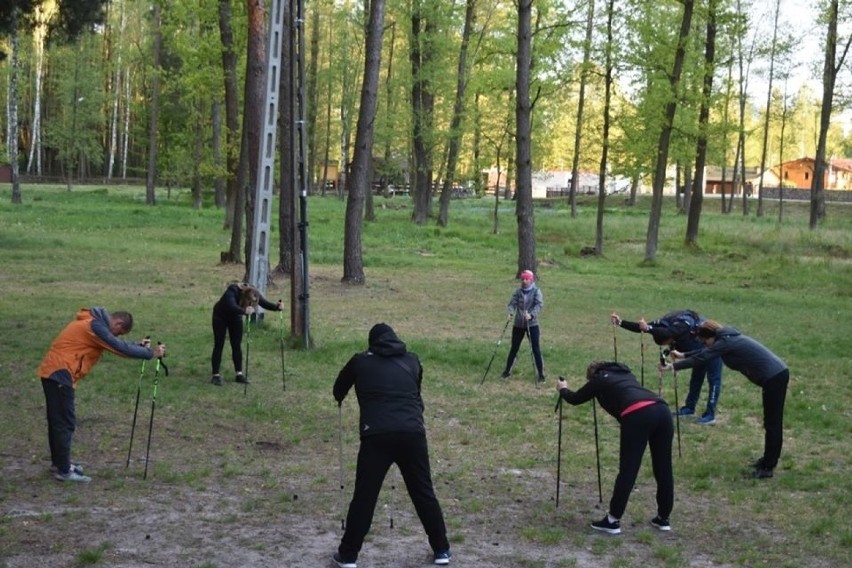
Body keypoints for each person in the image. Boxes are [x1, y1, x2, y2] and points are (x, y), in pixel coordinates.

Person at [332, 323, 451, 567]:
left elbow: (338, 390)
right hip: (412, 434)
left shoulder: (360, 361)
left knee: (365, 497)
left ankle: (348, 555)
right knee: (424, 493)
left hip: (376, 435)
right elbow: (416, 395)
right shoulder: (413, 361)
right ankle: (442, 550)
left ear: (372, 343)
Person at [38, 307, 166, 483]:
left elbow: (113, 342)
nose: (117, 336)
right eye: (119, 332)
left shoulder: (93, 322)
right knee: (64, 422)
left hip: (55, 373)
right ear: (118, 323)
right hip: (60, 374)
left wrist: (137, 346)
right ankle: (64, 470)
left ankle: (60, 464)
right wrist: (151, 354)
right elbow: (117, 347)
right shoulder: (95, 327)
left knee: (58, 421)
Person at [659, 320, 789, 479]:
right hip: (774, 375)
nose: (705, 344)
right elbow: (706, 352)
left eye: (705, 341)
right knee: (770, 422)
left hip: (775, 376)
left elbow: (703, 357)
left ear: (711, 337)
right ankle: (767, 460)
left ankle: (768, 467)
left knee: (772, 423)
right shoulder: (725, 339)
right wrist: (683, 355)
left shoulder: (726, 342)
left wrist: (673, 367)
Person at [557, 361, 674, 534]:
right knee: (663, 468)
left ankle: (612, 521)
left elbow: (575, 399)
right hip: (662, 410)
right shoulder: (626, 374)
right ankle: (663, 518)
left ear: (593, 375)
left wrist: (562, 389)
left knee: (628, 470)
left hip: (637, 414)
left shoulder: (599, 379)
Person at [611, 310, 723, 424]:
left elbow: (690, 356)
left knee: (713, 381)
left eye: (667, 343)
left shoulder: (680, 327)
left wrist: (673, 365)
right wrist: (620, 322)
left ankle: (710, 414)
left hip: (713, 348)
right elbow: (642, 327)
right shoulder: (662, 325)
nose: (669, 344)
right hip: (697, 350)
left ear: (669, 337)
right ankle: (689, 408)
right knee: (696, 379)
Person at [210, 282, 283, 386]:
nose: (250, 304)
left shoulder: (253, 292)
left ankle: (239, 374)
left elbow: (263, 303)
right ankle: (215, 375)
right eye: (248, 302)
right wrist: (244, 311)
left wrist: (277, 307)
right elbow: (231, 306)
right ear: (243, 297)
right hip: (220, 316)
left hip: (236, 317)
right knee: (219, 344)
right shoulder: (232, 291)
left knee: (236, 345)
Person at [501, 269, 545, 382]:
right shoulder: (518, 291)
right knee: (514, 348)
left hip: (532, 325)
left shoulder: (536, 291)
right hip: (518, 325)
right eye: (523, 279)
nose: (525, 281)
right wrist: (510, 313)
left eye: (527, 279)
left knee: (535, 349)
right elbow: (512, 304)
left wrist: (532, 315)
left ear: (531, 280)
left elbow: (539, 305)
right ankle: (507, 371)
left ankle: (541, 374)